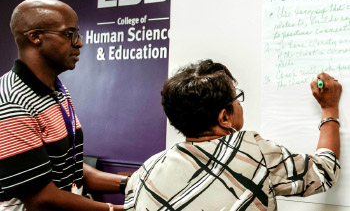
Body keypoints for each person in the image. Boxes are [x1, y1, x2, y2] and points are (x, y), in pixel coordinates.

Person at [124, 59, 342, 210]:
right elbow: (324, 171)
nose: (240, 104)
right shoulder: (253, 152)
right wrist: (329, 109)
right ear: (224, 118)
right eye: (236, 98)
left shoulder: (143, 174)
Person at [0, 0, 127, 211]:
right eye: (69, 34)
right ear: (35, 37)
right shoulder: (11, 102)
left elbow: (70, 166)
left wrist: (131, 184)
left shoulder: (57, 90)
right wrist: (119, 209)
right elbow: (41, 199)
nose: (79, 43)